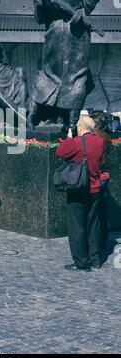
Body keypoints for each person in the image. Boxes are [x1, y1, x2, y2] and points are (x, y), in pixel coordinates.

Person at [28, 0, 103, 131]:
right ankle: (71, 124)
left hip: (54, 30)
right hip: (77, 30)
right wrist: (84, 10)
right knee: (78, 75)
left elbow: (40, 18)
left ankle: (32, 115)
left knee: (49, 73)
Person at [55, 116, 105, 271]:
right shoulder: (100, 142)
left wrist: (69, 139)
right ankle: (95, 259)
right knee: (93, 225)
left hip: (79, 189)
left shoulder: (77, 142)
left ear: (81, 127)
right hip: (96, 188)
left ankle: (81, 262)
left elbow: (60, 152)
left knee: (77, 227)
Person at [88, 110, 112, 247]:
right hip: (103, 176)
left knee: (94, 213)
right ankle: (102, 239)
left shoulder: (96, 137)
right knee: (102, 210)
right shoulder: (106, 136)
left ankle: (97, 241)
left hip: (96, 176)